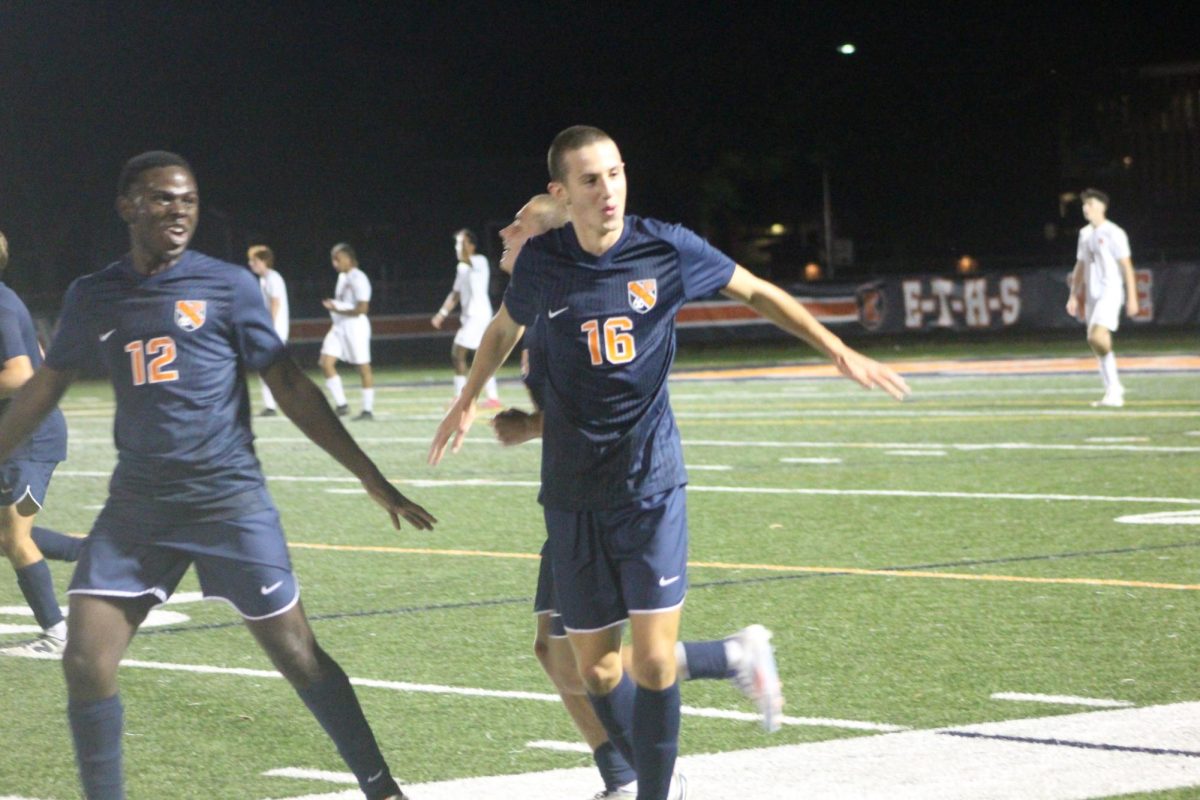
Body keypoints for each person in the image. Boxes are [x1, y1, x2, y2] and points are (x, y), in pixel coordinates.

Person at [430, 127, 909, 800]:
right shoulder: (543, 265)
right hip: (570, 494)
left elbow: (758, 291)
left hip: (649, 482)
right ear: (562, 193)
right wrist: (468, 399)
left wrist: (835, 347)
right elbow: (504, 329)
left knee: (654, 662)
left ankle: (651, 791)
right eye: (592, 180)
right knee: (593, 671)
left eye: (617, 174)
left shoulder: (666, 246)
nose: (609, 191)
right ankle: (648, 765)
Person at [0, 151, 436, 800]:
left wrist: (370, 476)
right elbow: (42, 390)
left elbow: (288, 382)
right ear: (126, 206)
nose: (179, 210)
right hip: (138, 509)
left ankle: (381, 787)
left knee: (298, 657)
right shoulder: (94, 294)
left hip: (227, 501)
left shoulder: (229, 286)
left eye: (188, 200)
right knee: (87, 661)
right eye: (161, 198)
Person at [492, 194, 783, 799]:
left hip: (615, 494)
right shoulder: (538, 303)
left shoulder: (568, 299)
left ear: (545, 237)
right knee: (554, 652)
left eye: (517, 224)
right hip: (572, 499)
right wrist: (528, 424)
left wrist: (530, 425)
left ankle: (715, 675)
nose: (505, 230)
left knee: (586, 660)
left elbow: (598, 406)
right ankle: (625, 775)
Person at [0, 230, 77, 657]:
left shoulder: (0, 304)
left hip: (31, 436)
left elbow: (19, 375)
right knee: (6, 534)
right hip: (14, 434)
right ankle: (97, 553)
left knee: (14, 538)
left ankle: (56, 634)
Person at [1065, 188, 1139, 408]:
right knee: (1096, 344)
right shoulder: (1085, 233)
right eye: (1084, 205)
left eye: (1090, 204)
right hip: (1092, 295)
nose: (1085, 208)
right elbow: (1080, 265)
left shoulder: (1114, 232)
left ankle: (1114, 388)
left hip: (1111, 292)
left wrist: (1133, 298)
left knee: (1095, 338)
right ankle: (1113, 390)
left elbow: (1126, 266)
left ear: (1102, 207)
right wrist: (1073, 294)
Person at [431, 229, 502, 408]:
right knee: (481, 356)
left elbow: (466, 260)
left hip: (478, 316)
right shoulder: (461, 267)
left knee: (458, 352)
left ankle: (460, 395)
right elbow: (455, 293)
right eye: (457, 244)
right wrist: (442, 314)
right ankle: (492, 397)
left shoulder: (479, 261)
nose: (458, 247)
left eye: (461, 243)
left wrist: (461, 247)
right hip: (471, 316)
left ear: (472, 245)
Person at [321, 242, 375, 420]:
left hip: (355, 327)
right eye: (333, 259)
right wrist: (335, 306)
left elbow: (362, 309)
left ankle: (367, 409)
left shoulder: (359, 278)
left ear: (349, 259)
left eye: (338, 259)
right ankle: (342, 405)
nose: (335, 263)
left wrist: (336, 309)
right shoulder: (342, 278)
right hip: (339, 326)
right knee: (325, 362)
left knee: (362, 367)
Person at [248, 244, 289, 417]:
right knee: (265, 368)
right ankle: (270, 405)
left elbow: (275, 303)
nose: (251, 264)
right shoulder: (264, 279)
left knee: (270, 368)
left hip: (275, 330)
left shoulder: (273, 278)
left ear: (264, 261)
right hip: (272, 330)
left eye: (254, 260)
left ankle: (279, 403)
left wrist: (268, 327)